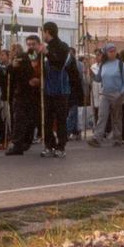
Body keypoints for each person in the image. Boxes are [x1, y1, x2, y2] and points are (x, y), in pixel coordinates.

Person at [40, 22, 73, 158]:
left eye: (43, 32)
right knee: (47, 119)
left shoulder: (63, 46)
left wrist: (47, 53)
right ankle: (50, 145)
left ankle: (61, 146)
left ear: (48, 32)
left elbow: (59, 64)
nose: (42, 35)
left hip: (61, 89)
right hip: (48, 89)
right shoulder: (45, 48)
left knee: (60, 120)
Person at [89, 43, 124, 147]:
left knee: (116, 117)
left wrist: (120, 93)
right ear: (106, 53)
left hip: (117, 94)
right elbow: (98, 79)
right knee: (102, 115)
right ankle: (97, 138)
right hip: (105, 94)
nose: (113, 53)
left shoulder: (121, 65)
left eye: (114, 51)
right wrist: (91, 73)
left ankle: (117, 138)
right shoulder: (103, 64)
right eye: (110, 51)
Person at [5, 36, 41, 155]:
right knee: (19, 119)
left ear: (38, 44)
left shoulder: (43, 57)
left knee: (32, 120)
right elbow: (9, 71)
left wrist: (40, 81)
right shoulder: (22, 57)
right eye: (29, 44)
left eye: (33, 44)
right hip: (21, 93)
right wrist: (12, 66)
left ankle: (27, 141)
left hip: (36, 94)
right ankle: (17, 145)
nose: (31, 46)